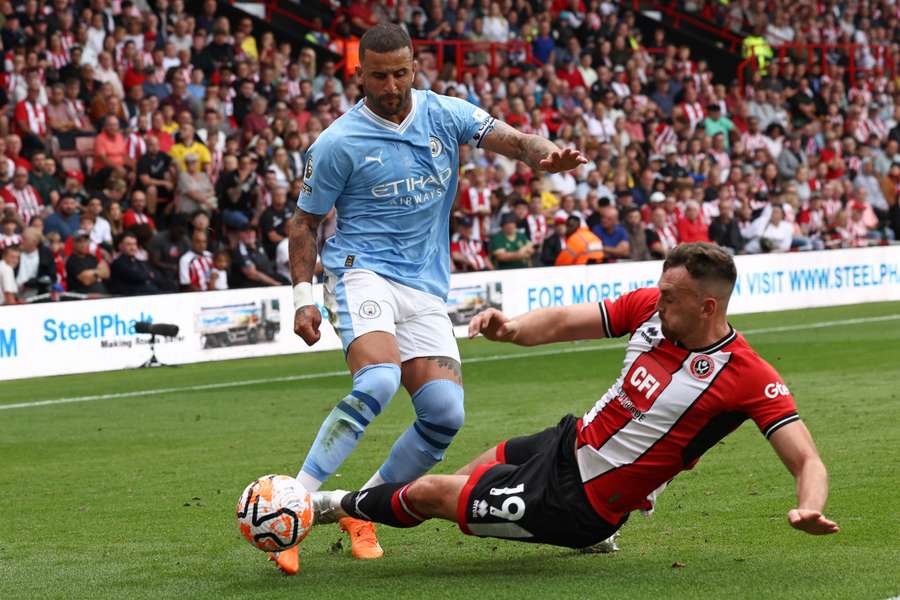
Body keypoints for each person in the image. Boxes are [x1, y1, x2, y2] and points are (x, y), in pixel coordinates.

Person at [281, 23, 587, 574]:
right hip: (361, 271)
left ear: (415, 67)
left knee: (444, 416)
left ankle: (360, 510)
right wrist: (304, 296)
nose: (391, 85)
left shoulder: (446, 113)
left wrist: (545, 155)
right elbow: (303, 224)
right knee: (378, 379)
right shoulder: (337, 142)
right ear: (359, 74)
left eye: (401, 72)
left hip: (424, 284)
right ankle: (292, 507)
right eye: (379, 75)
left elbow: (516, 140)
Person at [309, 243, 839, 552]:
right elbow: (565, 321)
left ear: (706, 306)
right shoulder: (650, 310)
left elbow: (806, 458)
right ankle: (358, 507)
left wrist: (809, 507)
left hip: (578, 501)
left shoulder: (747, 375)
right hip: (567, 442)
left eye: (671, 297)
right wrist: (510, 327)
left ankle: (328, 506)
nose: (658, 302)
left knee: (429, 493)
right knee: (468, 476)